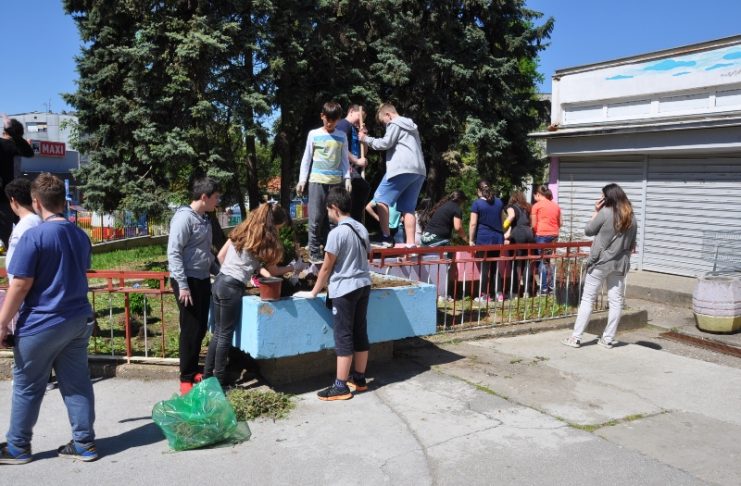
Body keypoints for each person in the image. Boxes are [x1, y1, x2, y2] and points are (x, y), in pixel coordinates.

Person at [0, 173, 98, 464]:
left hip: (42, 323)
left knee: (27, 386)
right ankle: (84, 444)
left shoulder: (34, 236)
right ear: (62, 202)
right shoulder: (79, 235)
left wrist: (2, 322)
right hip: (78, 320)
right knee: (77, 383)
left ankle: (17, 447)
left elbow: (20, 284)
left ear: (36, 202)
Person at [205, 203, 302, 388]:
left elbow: (221, 257)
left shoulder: (243, 230)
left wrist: (246, 268)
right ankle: (219, 383)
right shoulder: (264, 240)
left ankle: (207, 378)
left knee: (218, 333)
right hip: (232, 288)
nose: (278, 232)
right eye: (279, 228)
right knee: (225, 335)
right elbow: (273, 270)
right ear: (273, 224)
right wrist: (294, 267)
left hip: (219, 283)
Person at [294, 187, 371, 401]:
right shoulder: (361, 228)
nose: (327, 214)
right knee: (359, 331)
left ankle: (340, 386)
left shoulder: (337, 233)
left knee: (343, 335)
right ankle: (360, 379)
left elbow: (326, 267)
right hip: (364, 285)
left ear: (335, 208)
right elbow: (367, 255)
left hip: (345, 289)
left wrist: (314, 292)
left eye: (328, 210)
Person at [562, 183, 637, 349]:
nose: (601, 198)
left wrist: (596, 211)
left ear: (608, 198)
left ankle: (575, 338)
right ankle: (608, 339)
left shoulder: (605, 212)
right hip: (619, 265)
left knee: (588, 299)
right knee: (616, 302)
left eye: (603, 196)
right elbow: (632, 245)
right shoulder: (632, 217)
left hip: (600, 263)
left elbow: (589, 230)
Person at [168, 176, 222, 395]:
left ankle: (192, 370)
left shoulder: (204, 219)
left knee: (200, 327)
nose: (218, 201)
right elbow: (174, 252)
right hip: (186, 281)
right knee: (190, 328)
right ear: (204, 197)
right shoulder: (184, 218)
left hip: (201, 279)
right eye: (216, 197)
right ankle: (185, 378)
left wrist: (219, 273)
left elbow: (205, 252)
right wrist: (182, 285)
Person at [360, 103, 426, 248]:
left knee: (380, 199)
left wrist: (365, 138)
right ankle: (410, 244)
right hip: (419, 171)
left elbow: (385, 143)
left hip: (401, 168)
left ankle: (386, 237)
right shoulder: (411, 126)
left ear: (388, 115)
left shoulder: (395, 123)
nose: (385, 125)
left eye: (384, 122)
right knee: (408, 208)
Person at [296, 101, 351, 263]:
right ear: (322, 116)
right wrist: (302, 180)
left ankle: (331, 251)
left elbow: (344, 159)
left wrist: (347, 178)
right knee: (316, 218)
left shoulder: (341, 136)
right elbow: (307, 158)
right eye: (328, 119)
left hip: (335, 182)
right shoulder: (314, 134)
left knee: (334, 218)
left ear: (338, 120)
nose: (330, 123)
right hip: (317, 181)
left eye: (334, 120)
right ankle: (314, 251)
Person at [0, 115, 34, 249]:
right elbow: (29, 152)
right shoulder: (16, 146)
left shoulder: (11, 145)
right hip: (14, 194)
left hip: (5, 195)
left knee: (4, 235)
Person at [468, 181, 505, 302]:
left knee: (484, 266)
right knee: (495, 266)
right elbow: (502, 220)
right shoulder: (499, 202)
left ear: (479, 190)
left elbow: (473, 224)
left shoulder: (477, 203)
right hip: (498, 238)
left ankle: (484, 295)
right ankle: (499, 294)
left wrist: (471, 240)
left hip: (483, 238)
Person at [335, 104, 370, 222]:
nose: (361, 121)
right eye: (360, 117)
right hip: (345, 167)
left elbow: (364, 152)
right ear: (351, 111)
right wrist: (356, 160)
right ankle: (352, 220)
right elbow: (340, 146)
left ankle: (354, 221)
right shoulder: (343, 124)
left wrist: (364, 138)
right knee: (361, 188)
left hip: (354, 168)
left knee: (359, 191)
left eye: (363, 119)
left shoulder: (355, 129)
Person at [503, 191, 535, 297]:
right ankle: (526, 291)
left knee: (515, 262)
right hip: (529, 233)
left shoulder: (511, 207)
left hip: (518, 234)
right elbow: (531, 221)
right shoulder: (528, 206)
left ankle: (514, 292)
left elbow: (511, 217)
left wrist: (502, 227)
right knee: (527, 262)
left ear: (512, 198)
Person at [531, 185, 562, 294]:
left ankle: (543, 288)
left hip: (542, 235)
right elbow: (560, 223)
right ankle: (552, 287)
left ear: (539, 194)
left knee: (543, 261)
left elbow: (533, 225)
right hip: (554, 235)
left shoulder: (536, 206)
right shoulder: (556, 206)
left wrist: (535, 232)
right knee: (549, 260)